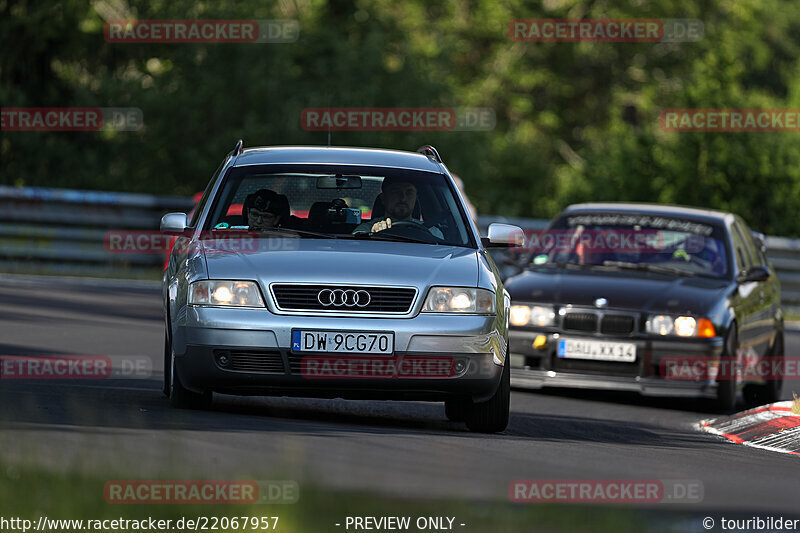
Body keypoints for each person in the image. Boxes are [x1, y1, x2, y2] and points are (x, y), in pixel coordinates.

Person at [352, 176, 443, 238]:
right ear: (383, 198)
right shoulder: (365, 231)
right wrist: (372, 236)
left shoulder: (432, 233)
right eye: (396, 191)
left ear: (416, 198)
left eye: (409, 192)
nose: (403, 198)